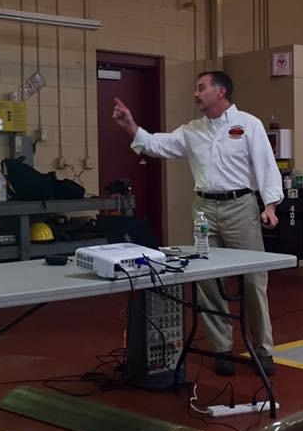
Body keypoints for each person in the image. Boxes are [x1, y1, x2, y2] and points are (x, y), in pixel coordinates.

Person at [111, 70, 283, 376]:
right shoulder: (192, 131)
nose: (196, 93)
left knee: (254, 278)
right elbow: (156, 145)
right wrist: (130, 127)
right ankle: (221, 348)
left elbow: (266, 165)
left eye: (201, 88)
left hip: (241, 207)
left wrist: (269, 205)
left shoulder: (248, 125)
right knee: (207, 281)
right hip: (204, 208)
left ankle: (263, 349)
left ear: (220, 92)